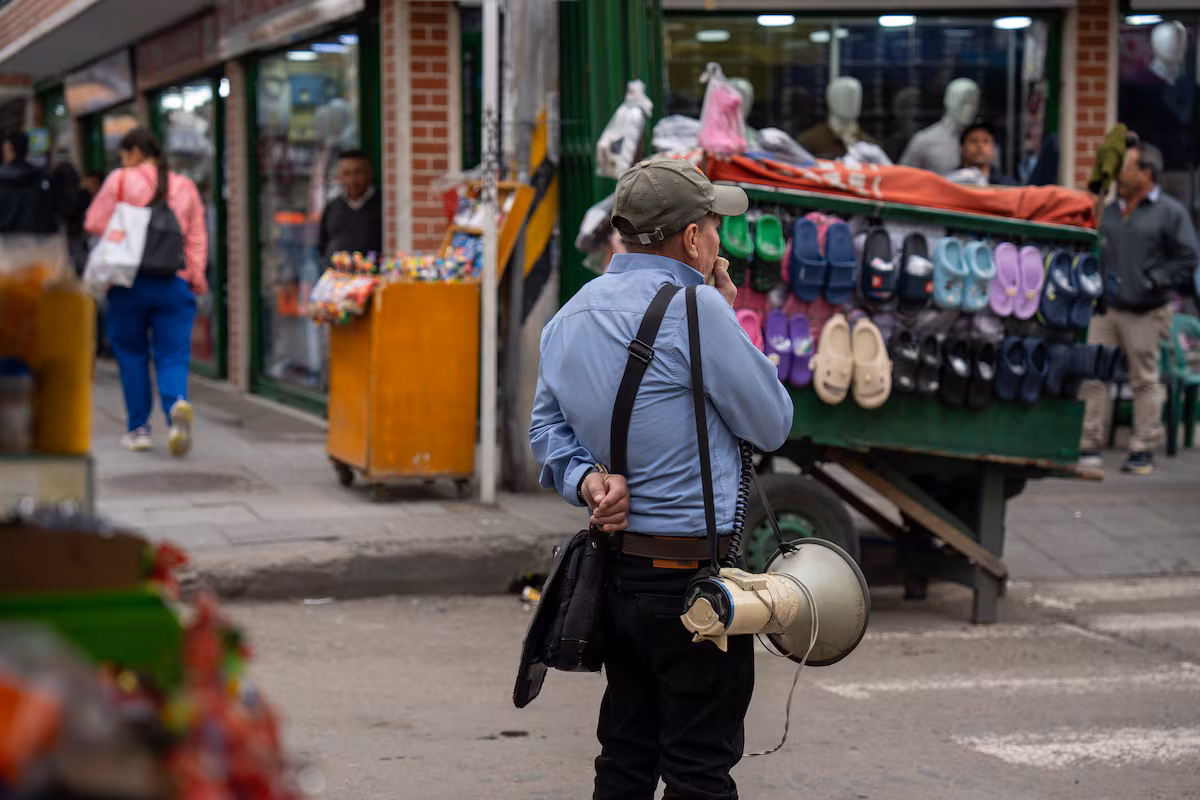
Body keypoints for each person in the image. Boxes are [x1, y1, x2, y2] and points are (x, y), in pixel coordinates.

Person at [529, 157, 793, 800]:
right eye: (713, 224)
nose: (718, 238)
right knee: (700, 768)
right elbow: (772, 423)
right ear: (693, 238)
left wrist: (589, 482)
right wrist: (729, 315)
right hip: (691, 584)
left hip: (617, 580)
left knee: (624, 757)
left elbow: (545, 432)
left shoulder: (572, 314)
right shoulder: (699, 309)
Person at [1079, 139, 1200, 475]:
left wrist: (1157, 280)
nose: (1120, 173)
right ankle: (1089, 443)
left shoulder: (1170, 211)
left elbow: (1189, 257)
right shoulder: (1111, 209)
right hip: (1108, 308)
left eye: (1127, 167)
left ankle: (1142, 448)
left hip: (1147, 310)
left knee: (1144, 380)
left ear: (1147, 173)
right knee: (1093, 373)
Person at [85, 128, 208, 456]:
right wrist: (195, 275)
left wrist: (128, 222)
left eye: (124, 155)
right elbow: (196, 235)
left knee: (131, 354)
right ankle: (176, 406)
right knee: (173, 353)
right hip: (174, 281)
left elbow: (94, 222)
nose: (123, 162)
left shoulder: (120, 181)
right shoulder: (186, 186)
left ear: (136, 152)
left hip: (128, 281)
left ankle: (138, 429)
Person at [317, 149, 382, 259]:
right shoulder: (332, 207)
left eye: (357, 173)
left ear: (369, 174)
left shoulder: (383, 206)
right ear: (339, 177)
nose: (352, 180)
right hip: (337, 274)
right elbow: (322, 244)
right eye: (346, 174)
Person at [0, 130, 58, 234]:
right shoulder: (42, 179)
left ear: (8, 149)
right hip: (38, 243)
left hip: (5, 243)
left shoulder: (3, 179)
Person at [947, 119, 1017, 187]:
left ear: (993, 148)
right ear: (962, 148)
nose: (980, 146)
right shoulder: (949, 182)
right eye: (973, 141)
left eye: (986, 141)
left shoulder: (1008, 185)